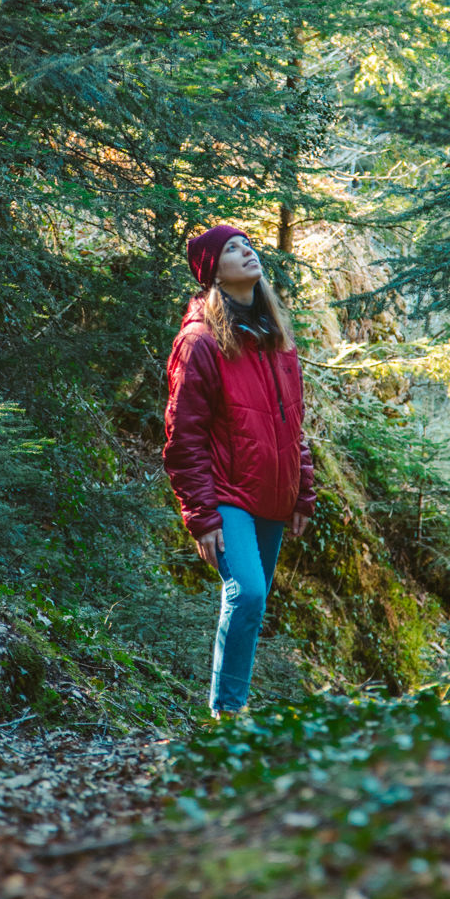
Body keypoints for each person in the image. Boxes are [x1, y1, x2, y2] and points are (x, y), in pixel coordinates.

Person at [163, 223, 315, 716]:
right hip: (227, 493)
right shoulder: (201, 342)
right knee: (246, 592)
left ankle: (234, 710)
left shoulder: (276, 337)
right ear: (213, 272)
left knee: (255, 604)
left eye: (247, 244)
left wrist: (302, 491)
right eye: (232, 248)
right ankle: (226, 714)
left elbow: (295, 427)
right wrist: (202, 516)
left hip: (272, 495)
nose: (246, 251)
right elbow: (183, 437)